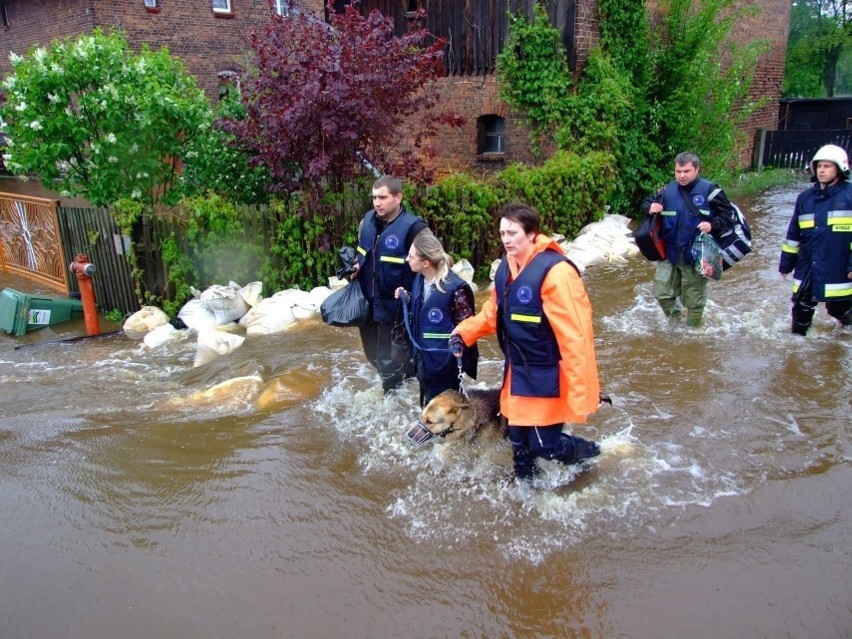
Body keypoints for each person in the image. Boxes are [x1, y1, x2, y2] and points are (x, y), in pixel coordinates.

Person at [449, 202, 602, 481]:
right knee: (518, 440)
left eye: (512, 233)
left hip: (549, 375)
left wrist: (582, 394)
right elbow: (495, 314)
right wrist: (463, 333)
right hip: (517, 372)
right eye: (502, 233)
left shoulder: (557, 274)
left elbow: (576, 338)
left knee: (545, 445)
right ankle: (528, 494)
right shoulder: (505, 270)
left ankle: (591, 453)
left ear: (532, 234)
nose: (506, 239)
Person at [350, 175, 429, 393]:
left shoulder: (415, 228)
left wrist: (417, 298)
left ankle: (393, 402)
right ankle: (405, 381)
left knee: (387, 360)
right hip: (368, 304)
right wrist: (356, 266)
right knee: (373, 357)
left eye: (383, 197)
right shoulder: (367, 221)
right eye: (374, 197)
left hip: (395, 308)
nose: (377, 203)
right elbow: (363, 253)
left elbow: (433, 263)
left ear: (398, 197)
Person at [641, 151, 737, 327]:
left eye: (686, 171)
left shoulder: (711, 191)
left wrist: (712, 225)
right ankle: (676, 322)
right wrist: (649, 207)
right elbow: (645, 204)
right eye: (678, 171)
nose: (682, 175)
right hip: (669, 254)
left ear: (696, 169)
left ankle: (693, 332)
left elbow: (729, 217)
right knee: (661, 292)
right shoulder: (666, 191)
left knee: (694, 301)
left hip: (696, 256)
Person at [394, 232, 479, 406]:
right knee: (428, 407)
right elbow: (423, 309)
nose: (406, 259)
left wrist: (459, 343)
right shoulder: (420, 279)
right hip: (423, 358)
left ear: (426, 263)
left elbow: (469, 325)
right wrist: (408, 298)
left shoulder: (455, 289)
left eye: (411, 256)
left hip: (445, 363)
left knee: (445, 412)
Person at [778, 144, 852, 335]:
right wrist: (786, 264)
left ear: (839, 169)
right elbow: (793, 233)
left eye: (827, 166)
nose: (821, 170)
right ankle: (796, 349)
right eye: (819, 166)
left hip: (839, 263)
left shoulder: (850, 195)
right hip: (808, 263)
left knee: (838, 307)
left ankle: (846, 331)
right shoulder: (805, 198)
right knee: (801, 306)